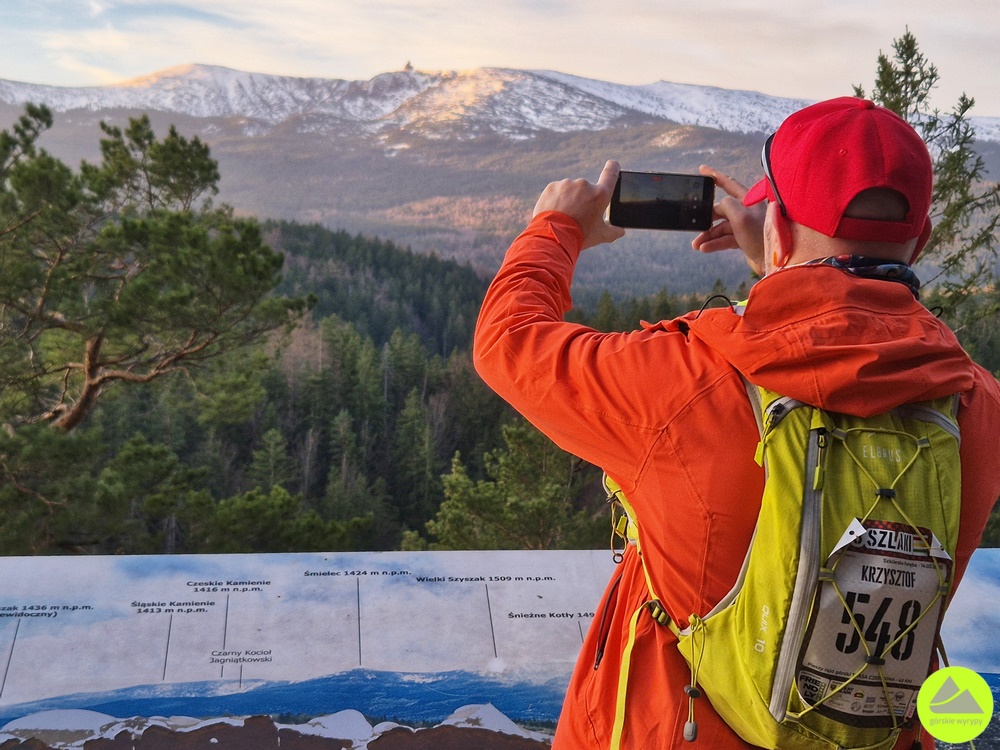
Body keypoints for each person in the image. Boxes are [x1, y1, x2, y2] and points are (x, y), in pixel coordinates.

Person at [472, 97, 1000, 750]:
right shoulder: (976, 406)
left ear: (775, 226)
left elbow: (509, 343)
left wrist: (556, 228)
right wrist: (782, 266)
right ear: (919, 242)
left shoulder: (683, 384)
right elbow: (847, 338)